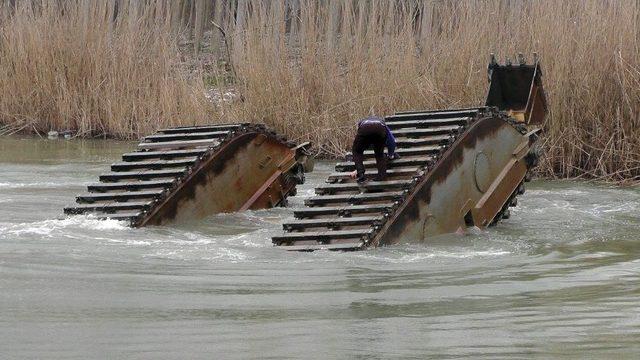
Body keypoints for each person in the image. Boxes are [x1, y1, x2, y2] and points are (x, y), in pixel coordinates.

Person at [349, 116, 399, 183]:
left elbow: (360, 143)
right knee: (379, 154)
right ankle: (381, 176)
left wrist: (357, 167)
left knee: (357, 151)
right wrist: (391, 155)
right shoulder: (382, 124)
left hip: (365, 130)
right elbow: (392, 141)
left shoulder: (362, 123)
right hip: (380, 130)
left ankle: (361, 175)